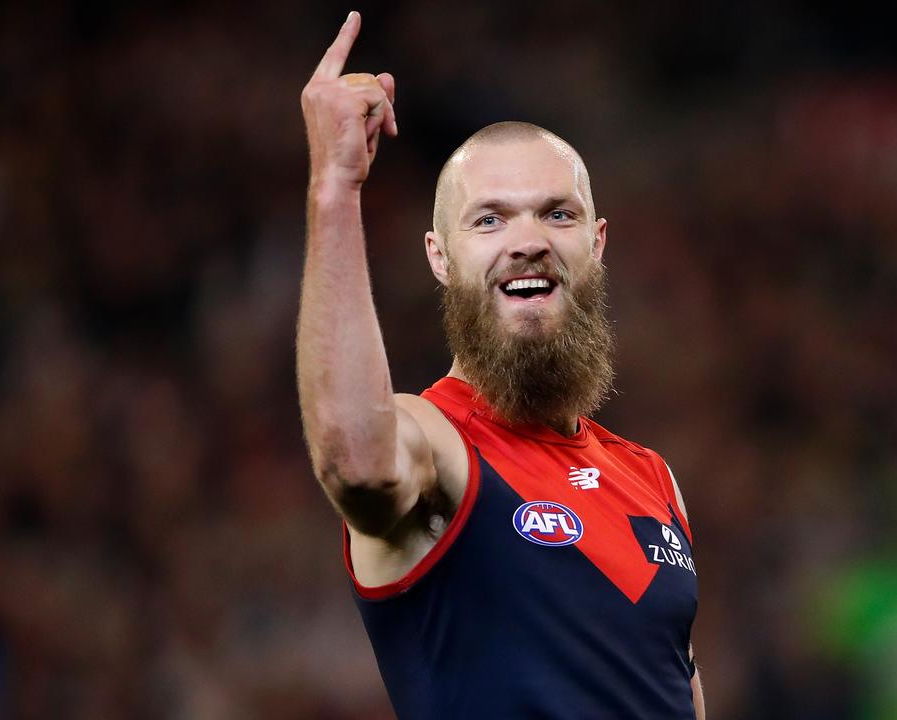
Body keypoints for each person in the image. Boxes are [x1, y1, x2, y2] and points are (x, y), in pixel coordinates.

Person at [297, 11, 704, 719]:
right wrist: (336, 191)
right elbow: (356, 463)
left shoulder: (651, 477)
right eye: (489, 220)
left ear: (597, 243)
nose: (527, 241)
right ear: (439, 256)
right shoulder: (437, 443)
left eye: (558, 214)